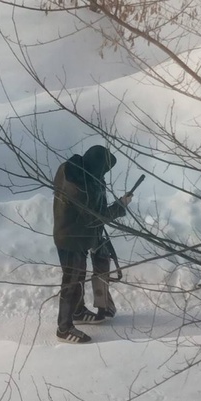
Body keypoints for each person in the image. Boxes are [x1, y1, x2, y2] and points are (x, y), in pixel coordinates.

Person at [53, 145, 132, 343]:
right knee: (72, 280)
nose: (104, 174)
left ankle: (78, 312)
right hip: (72, 239)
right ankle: (64, 328)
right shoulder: (80, 188)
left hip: (73, 233)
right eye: (104, 170)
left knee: (78, 276)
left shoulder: (74, 170)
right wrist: (120, 206)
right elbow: (96, 218)